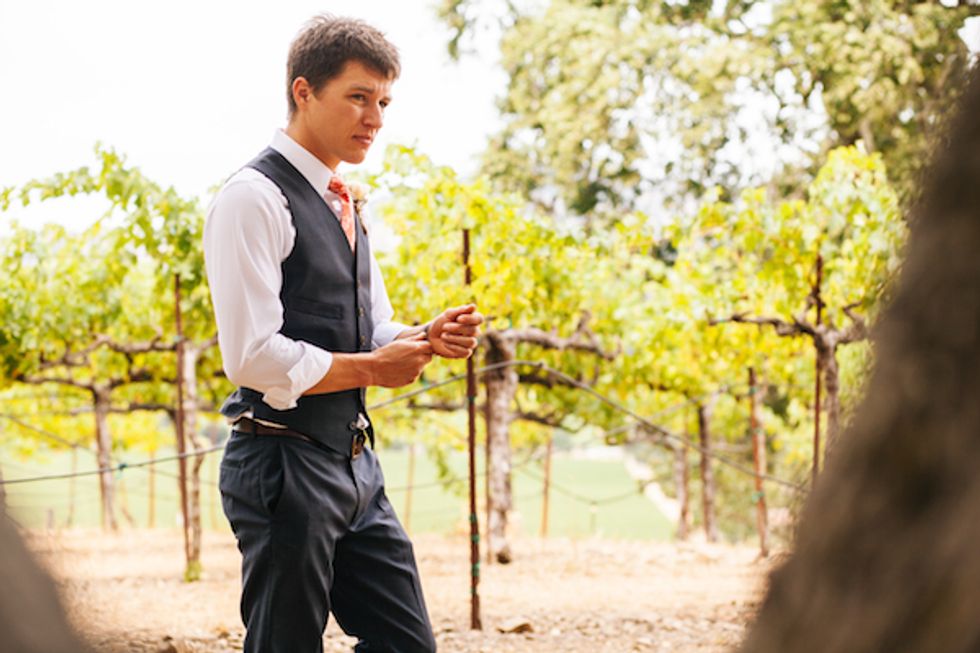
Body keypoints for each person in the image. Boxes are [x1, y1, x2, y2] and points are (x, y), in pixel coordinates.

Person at [203, 15, 482, 653]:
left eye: (384, 102)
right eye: (359, 97)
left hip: (355, 463)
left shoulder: (346, 200)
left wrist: (424, 336)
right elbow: (251, 356)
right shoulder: (252, 198)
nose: (375, 118)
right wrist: (374, 370)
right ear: (303, 92)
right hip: (281, 461)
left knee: (407, 644)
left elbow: (372, 324)